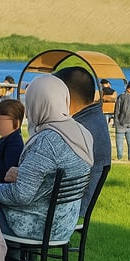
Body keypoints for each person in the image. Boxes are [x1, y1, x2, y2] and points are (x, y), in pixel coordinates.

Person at [0, 75, 93, 261]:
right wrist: (21, 173)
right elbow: (50, 177)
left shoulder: (46, 141)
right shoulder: (82, 134)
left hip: (37, 224)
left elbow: (22, 195)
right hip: (64, 222)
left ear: (38, 103)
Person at [54, 66, 112, 216]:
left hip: (63, 211)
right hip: (75, 204)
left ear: (66, 95)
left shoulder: (78, 129)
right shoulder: (95, 118)